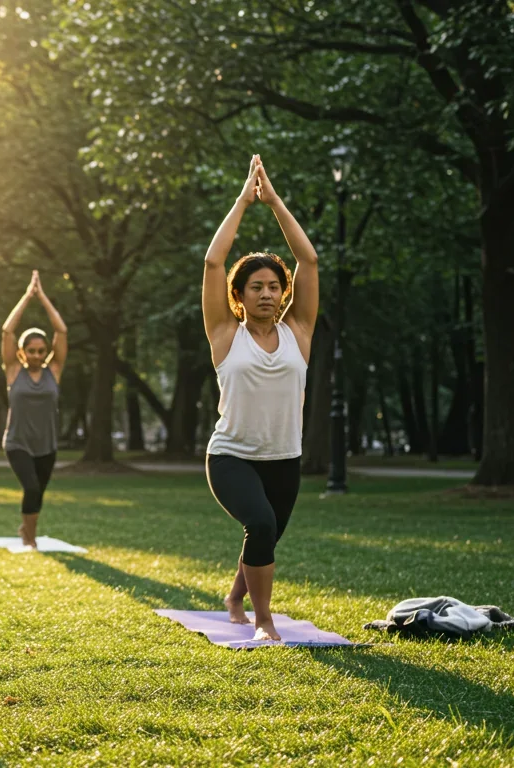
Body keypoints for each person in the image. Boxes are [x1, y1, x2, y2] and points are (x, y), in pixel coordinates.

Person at [202, 155, 318, 642]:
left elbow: (308, 261)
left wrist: (274, 202)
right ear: (240, 296)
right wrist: (243, 202)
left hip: (284, 458)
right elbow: (214, 262)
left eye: (274, 286)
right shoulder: (225, 334)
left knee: (265, 533)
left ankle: (235, 597)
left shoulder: (299, 332)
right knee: (262, 523)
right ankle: (263, 621)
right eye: (256, 287)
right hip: (231, 456)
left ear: (284, 293)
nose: (267, 293)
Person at [0, 270, 68, 549]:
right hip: (18, 442)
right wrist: (28, 297)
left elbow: (61, 331)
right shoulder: (14, 370)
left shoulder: (54, 370)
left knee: (38, 492)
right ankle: (30, 539)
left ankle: (27, 530)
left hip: (46, 444)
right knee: (31, 487)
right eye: (32, 351)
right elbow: (7, 331)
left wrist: (43, 298)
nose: (37, 355)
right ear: (22, 352)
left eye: (41, 351)